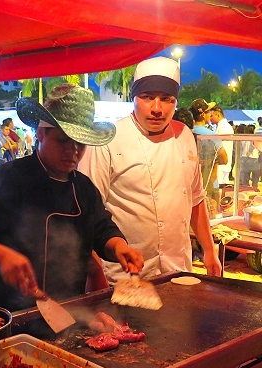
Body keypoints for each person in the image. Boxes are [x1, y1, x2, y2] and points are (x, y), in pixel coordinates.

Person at [0, 84, 144, 315]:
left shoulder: (83, 188)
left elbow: (102, 229)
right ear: (41, 133)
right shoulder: (2, 179)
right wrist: (2, 256)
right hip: (5, 315)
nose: (72, 151)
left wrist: (119, 247)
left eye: (80, 144)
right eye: (63, 140)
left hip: (66, 313)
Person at [79, 56, 221, 282]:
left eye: (166, 99)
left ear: (176, 101)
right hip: (124, 276)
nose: (157, 108)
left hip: (178, 270)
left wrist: (210, 250)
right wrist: (95, 275)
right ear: (133, 98)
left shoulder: (184, 135)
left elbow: (195, 199)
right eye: (147, 97)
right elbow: (87, 213)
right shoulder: (107, 140)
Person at [188, 98, 228, 211]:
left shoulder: (186, 132)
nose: (210, 114)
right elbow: (224, 159)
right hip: (209, 184)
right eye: (208, 112)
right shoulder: (211, 135)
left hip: (190, 186)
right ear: (202, 115)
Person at [209, 106, 234, 186]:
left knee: (219, 186)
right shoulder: (223, 126)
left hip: (221, 162)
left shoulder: (223, 127)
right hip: (224, 161)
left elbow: (217, 145)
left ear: (218, 115)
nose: (210, 118)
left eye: (211, 116)